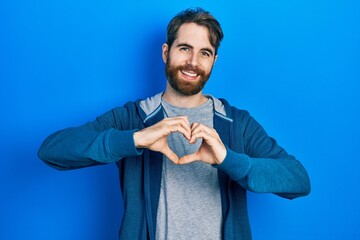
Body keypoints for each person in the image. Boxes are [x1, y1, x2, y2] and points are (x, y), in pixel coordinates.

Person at [38, 7, 311, 240]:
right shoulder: (134, 117)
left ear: (214, 61)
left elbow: (298, 180)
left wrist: (227, 158)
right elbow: (52, 151)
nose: (193, 62)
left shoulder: (237, 123)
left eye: (204, 53)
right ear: (166, 52)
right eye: (184, 49)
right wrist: (134, 139)